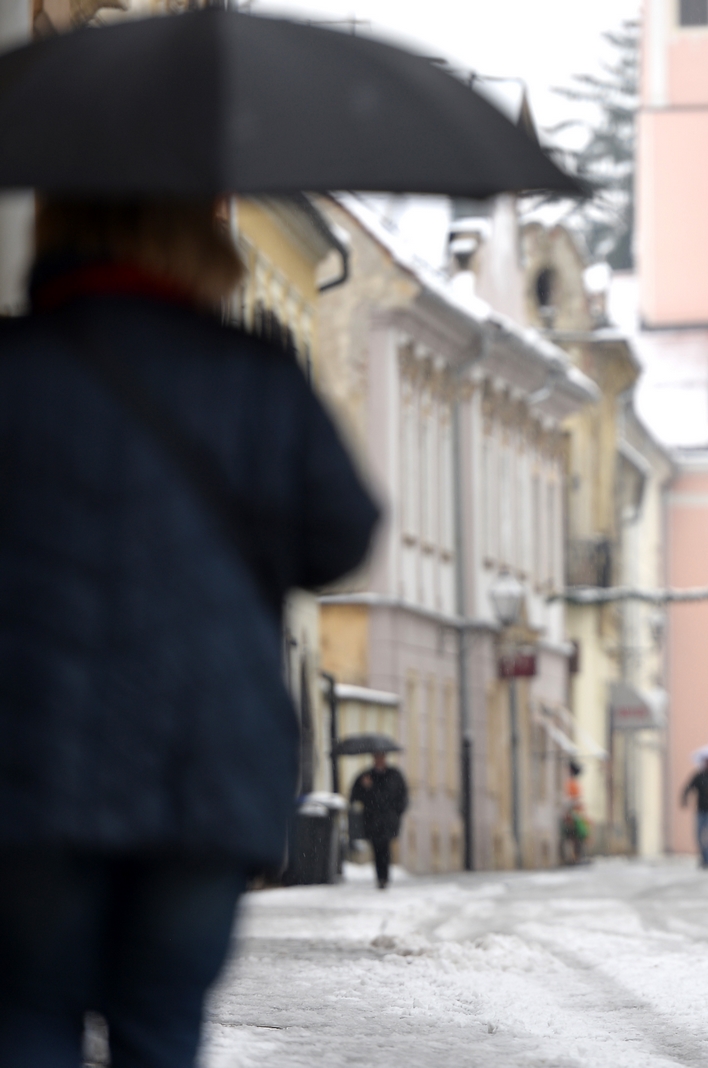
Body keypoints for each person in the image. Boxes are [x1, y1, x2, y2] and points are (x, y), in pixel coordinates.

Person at [0, 197, 378, 1067]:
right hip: (204, 758)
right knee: (163, 1025)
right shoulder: (253, 374)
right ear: (200, 245)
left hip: (29, 753)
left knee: (26, 1010)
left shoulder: (13, 368)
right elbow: (342, 536)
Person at [349, 751, 409, 890]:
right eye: (377, 758)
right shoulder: (366, 776)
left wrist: (397, 813)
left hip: (388, 819)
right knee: (377, 848)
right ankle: (380, 877)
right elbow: (355, 796)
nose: (379, 760)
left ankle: (384, 877)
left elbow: (402, 796)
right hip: (372, 819)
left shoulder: (394, 775)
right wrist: (365, 788)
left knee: (385, 847)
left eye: (381, 758)